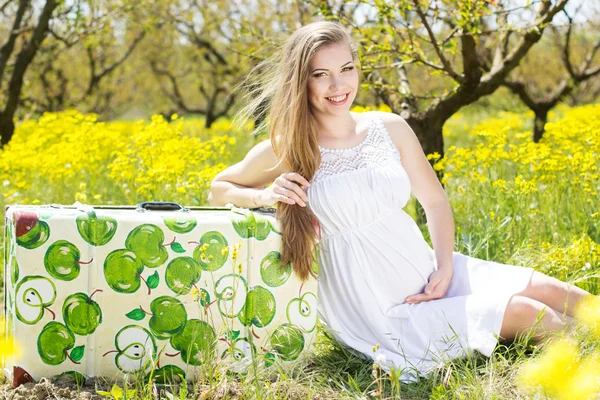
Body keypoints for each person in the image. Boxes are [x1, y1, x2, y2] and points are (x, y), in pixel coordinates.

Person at [208, 20, 594, 382]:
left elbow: (435, 202)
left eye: (346, 69)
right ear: (301, 81)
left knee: (556, 292)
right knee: (532, 313)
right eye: (320, 74)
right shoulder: (288, 148)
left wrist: (444, 267)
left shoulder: (387, 128)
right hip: (382, 312)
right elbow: (218, 188)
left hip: (427, 270)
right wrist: (264, 194)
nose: (338, 84)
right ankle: (583, 367)